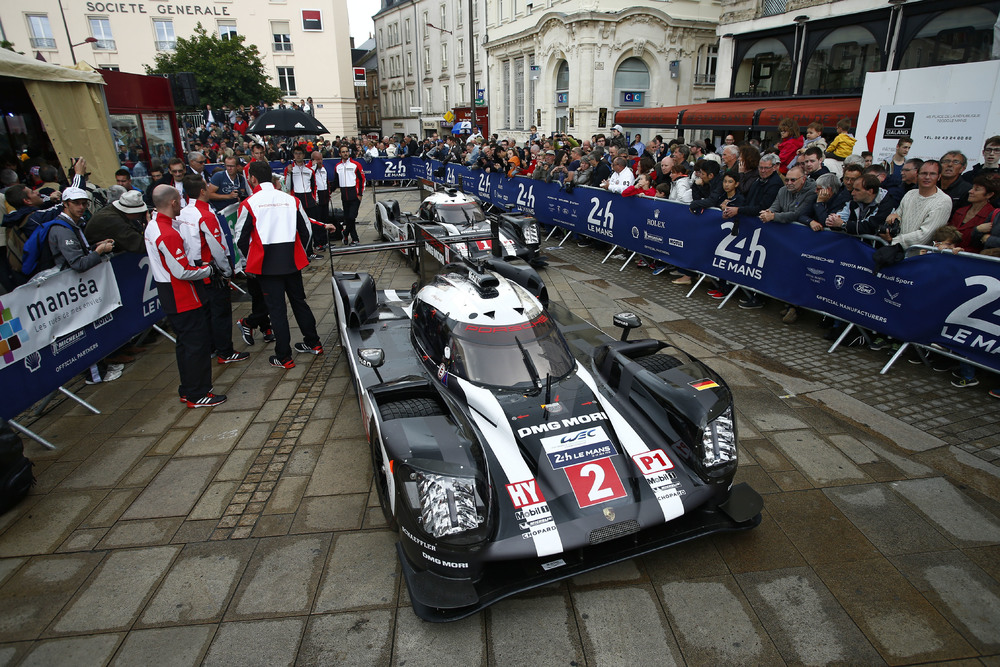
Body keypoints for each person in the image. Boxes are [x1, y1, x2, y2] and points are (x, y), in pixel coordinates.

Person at [236, 162, 322, 369]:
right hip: (291, 261)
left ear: (253, 179)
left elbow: (240, 239)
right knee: (299, 302)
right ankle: (314, 343)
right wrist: (302, 254)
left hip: (266, 266)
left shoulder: (249, 203)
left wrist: (250, 261)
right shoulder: (291, 199)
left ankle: (284, 356)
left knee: (277, 311)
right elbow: (307, 230)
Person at [145, 185, 225, 406]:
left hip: (172, 293)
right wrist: (208, 270)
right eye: (180, 200)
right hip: (182, 295)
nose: (182, 203)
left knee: (185, 344)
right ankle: (198, 393)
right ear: (173, 203)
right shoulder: (167, 233)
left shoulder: (154, 225)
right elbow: (181, 271)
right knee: (196, 345)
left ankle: (188, 389)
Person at [178, 176, 249, 365]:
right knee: (220, 313)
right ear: (202, 191)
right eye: (207, 187)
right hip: (211, 272)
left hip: (194, 271)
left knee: (206, 313)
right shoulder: (205, 215)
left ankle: (211, 348)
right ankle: (225, 352)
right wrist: (226, 271)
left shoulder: (182, 213)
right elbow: (217, 247)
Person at [882, 160, 952, 248]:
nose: (927, 177)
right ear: (917, 175)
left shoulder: (943, 201)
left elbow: (925, 236)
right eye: (924, 173)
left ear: (939, 177)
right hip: (897, 249)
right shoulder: (910, 194)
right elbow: (898, 217)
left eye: (932, 174)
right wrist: (892, 217)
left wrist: (893, 240)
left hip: (921, 253)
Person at [84, 189, 147, 254]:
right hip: (93, 255)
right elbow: (142, 246)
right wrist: (150, 223)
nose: (140, 215)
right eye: (140, 212)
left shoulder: (113, 211)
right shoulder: (112, 220)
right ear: (132, 212)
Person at [950, 175, 997, 251]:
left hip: (972, 256)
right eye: (972, 188)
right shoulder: (960, 211)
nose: (970, 191)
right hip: (951, 252)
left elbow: (983, 243)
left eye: (976, 189)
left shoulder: (992, 216)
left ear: (989, 195)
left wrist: (977, 231)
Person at [331, 145, 366, 246]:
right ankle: (354, 239)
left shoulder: (355, 164)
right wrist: (329, 191)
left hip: (354, 194)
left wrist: (360, 194)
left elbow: (362, 179)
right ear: (340, 154)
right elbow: (336, 181)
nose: (345, 153)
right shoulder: (338, 166)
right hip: (344, 195)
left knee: (352, 216)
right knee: (349, 218)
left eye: (347, 151)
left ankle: (345, 233)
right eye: (343, 152)